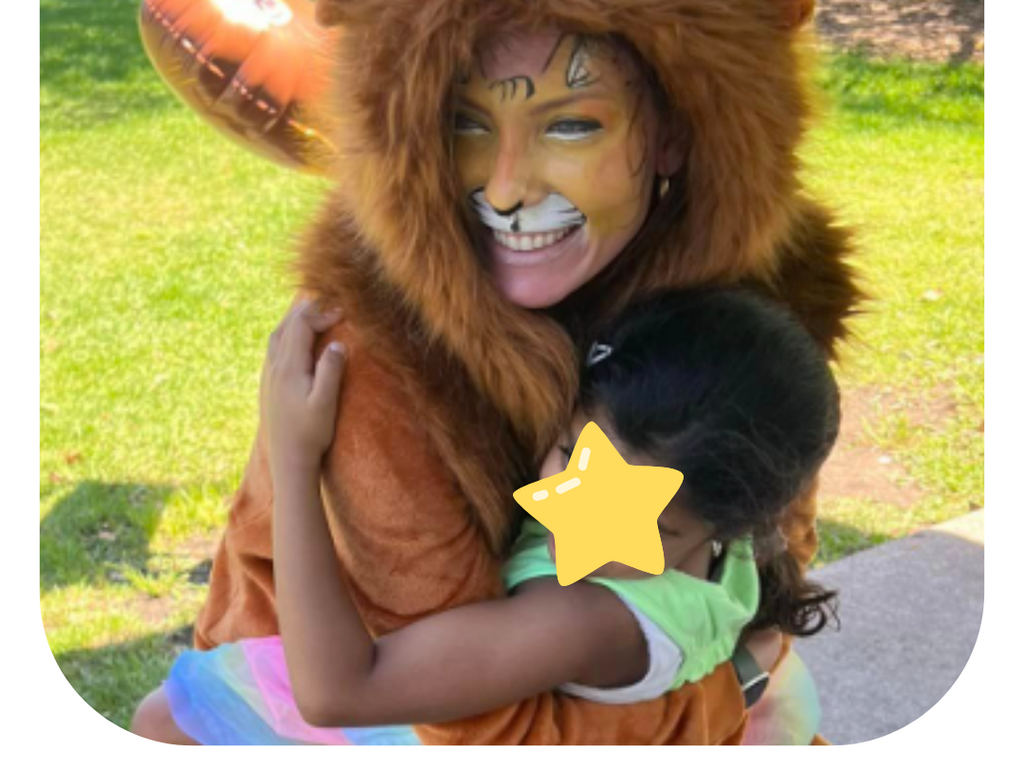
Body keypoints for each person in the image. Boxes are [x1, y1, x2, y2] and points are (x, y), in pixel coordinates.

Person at [135, 0, 860, 744]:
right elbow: (462, 722)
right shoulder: (374, 358)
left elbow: (773, 563)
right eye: (466, 122)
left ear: (677, 132)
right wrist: (718, 685)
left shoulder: (758, 306)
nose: (508, 187)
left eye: (571, 123)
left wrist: (718, 679)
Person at [136, 288, 839, 743]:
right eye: (572, 453)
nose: (574, 513)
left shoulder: (587, 618)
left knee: (167, 723)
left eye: (638, 518)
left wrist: (294, 457)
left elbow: (336, 691)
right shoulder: (721, 529)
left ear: (736, 526)